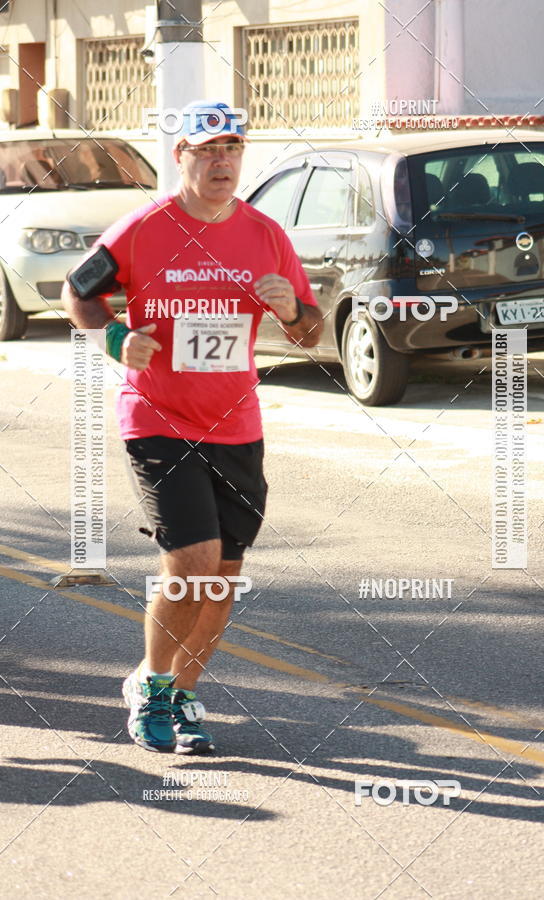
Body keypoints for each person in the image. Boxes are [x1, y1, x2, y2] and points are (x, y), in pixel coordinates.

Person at [62, 100, 323, 754]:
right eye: (207, 150)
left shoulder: (266, 235)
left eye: (232, 148)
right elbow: (78, 290)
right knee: (194, 561)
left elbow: (312, 327)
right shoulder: (143, 228)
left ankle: (181, 693)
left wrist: (294, 311)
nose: (221, 161)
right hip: (157, 417)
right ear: (180, 156)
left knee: (222, 580)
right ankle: (151, 686)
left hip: (236, 426)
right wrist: (116, 335)